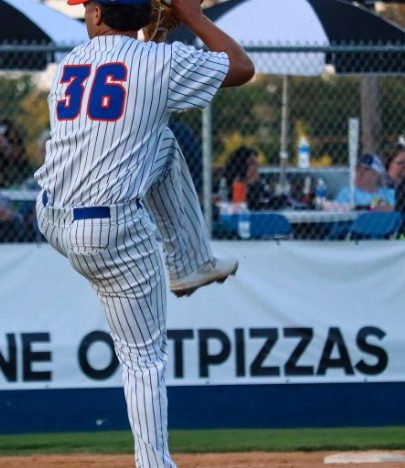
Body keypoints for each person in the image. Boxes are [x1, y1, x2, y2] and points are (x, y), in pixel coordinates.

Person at [34, 0, 253, 465]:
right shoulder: (160, 62)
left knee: (165, 145)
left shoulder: (71, 63)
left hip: (52, 216)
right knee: (143, 358)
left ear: (96, 15)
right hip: (109, 229)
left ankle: (190, 263)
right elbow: (240, 68)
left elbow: (135, 85)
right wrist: (191, 16)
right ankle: (154, 463)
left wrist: (150, 27)